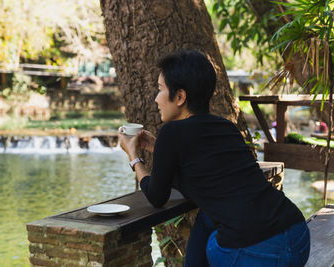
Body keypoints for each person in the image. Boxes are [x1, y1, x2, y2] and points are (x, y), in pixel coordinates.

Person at [118, 50, 310, 266]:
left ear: (180, 97)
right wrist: (158, 148)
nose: (155, 98)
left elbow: (156, 196)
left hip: (264, 253)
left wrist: (134, 156)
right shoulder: (225, 126)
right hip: (298, 235)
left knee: (212, 244)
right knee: (207, 218)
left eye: (160, 89)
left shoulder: (171, 132)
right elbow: (203, 166)